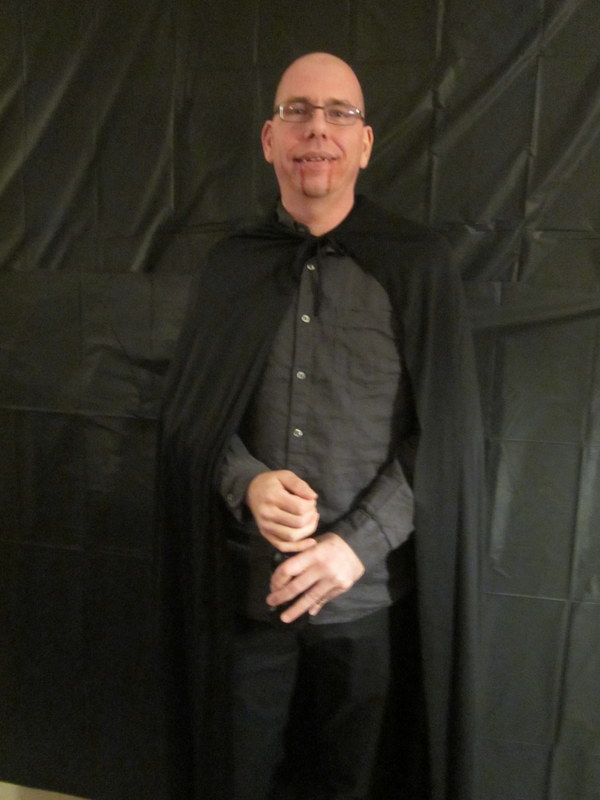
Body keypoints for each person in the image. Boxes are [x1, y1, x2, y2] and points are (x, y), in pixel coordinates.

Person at [157, 52, 484, 800]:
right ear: (269, 138)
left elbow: (447, 436)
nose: (317, 129)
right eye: (298, 111)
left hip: (367, 604)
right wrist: (247, 481)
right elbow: (192, 418)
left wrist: (354, 546)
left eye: (339, 113)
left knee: (355, 785)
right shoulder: (232, 268)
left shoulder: (419, 267)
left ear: (364, 143)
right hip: (250, 594)